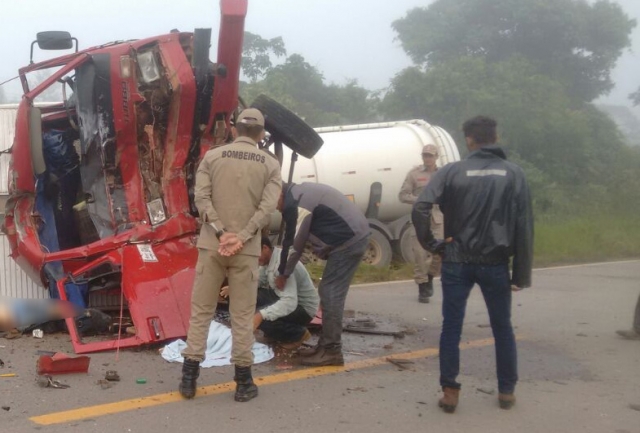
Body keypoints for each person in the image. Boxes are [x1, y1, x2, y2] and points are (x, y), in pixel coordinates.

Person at [412, 115, 533, 413]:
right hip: (495, 263)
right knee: (502, 327)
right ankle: (506, 391)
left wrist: (433, 245)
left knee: (451, 327)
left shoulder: (452, 171)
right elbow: (523, 224)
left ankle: (450, 391)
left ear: (469, 140)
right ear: (496, 136)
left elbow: (420, 206)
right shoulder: (514, 174)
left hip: (456, 260)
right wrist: (520, 273)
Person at [179, 108, 282, 403]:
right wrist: (244, 235)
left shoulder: (212, 157)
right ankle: (243, 383)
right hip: (246, 251)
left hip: (212, 245)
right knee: (241, 316)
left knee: (201, 312)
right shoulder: (270, 164)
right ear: (261, 135)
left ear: (234, 130)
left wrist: (222, 232)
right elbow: (268, 208)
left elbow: (201, 198)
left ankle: (188, 380)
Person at [277, 182, 370, 366]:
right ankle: (325, 347)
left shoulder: (299, 203)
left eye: (272, 202)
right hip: (351, 236)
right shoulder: (300, 193)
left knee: (330, 292)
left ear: (278, 193)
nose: (275, 208)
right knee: (329, 291)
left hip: (350, 240)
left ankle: (331, 350)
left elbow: (295, 242)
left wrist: (283, 274)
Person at [253, 237, 320, 349]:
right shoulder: (269, 259)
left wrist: (261, 315)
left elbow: (289, 302)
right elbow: (259, 280)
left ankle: (298, 335)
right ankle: (276, 333)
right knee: (250, 298)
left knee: (264, 319)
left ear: (265, 248)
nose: (254, 259)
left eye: (255, 255)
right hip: (286, 300)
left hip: (303, 309)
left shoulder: (282, 264)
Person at [399, 143, 444, 303]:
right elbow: (403, 195)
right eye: (425, 155)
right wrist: (421, 200)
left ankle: (430, 277)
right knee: (419, 254)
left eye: (430, 155)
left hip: (437, 218)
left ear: (436, 157)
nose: (427, 158)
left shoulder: (443, 174)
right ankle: (422, 287)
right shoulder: (415, 174)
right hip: (419, 218)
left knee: (438, 253)